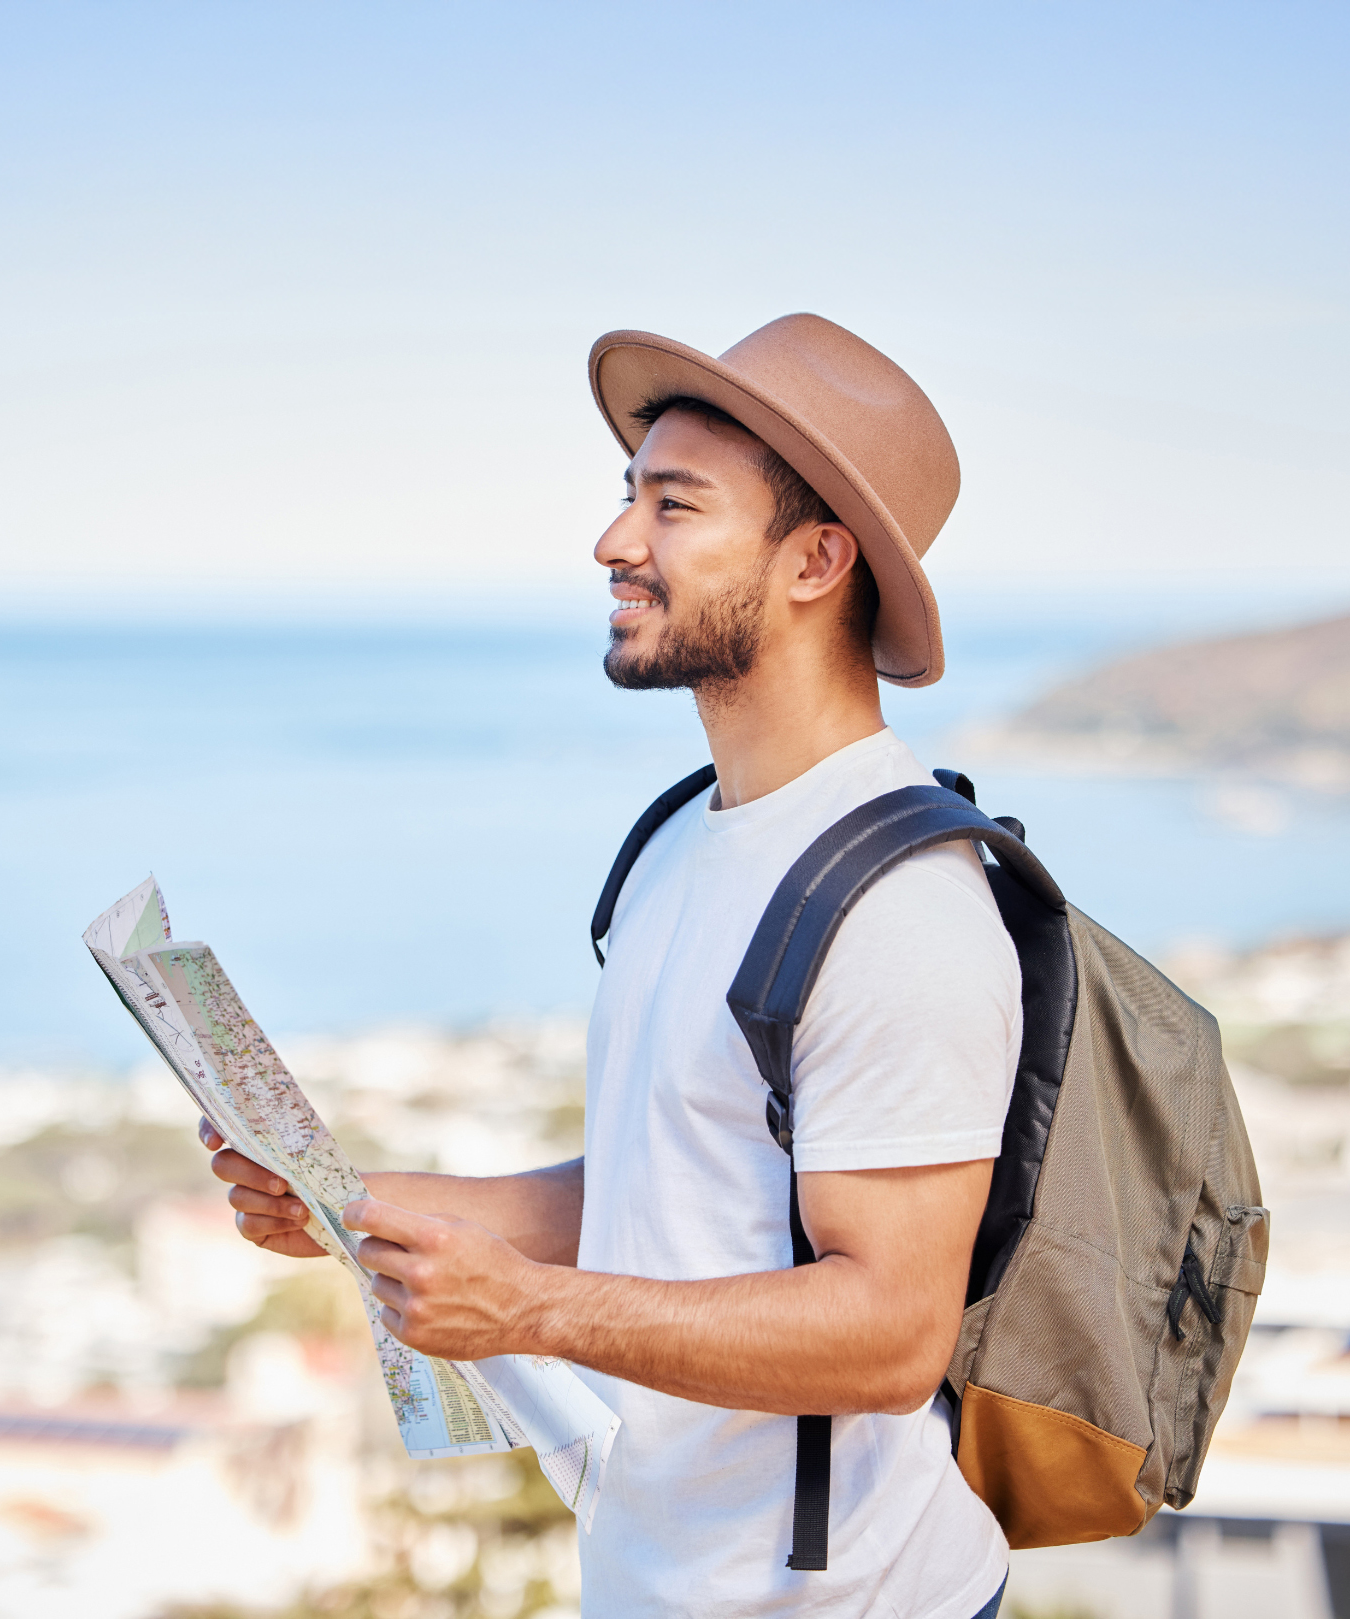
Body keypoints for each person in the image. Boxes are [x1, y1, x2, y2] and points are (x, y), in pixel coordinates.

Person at [203, 314, 1018, 1618]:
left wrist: (530, 1311)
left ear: (816, 560)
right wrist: (355, 1210)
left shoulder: (902, 905)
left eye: (673, 506)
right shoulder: (683, 841)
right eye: (628, 496)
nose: (613, 542)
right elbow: (673, 1186)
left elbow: (890, 1335)